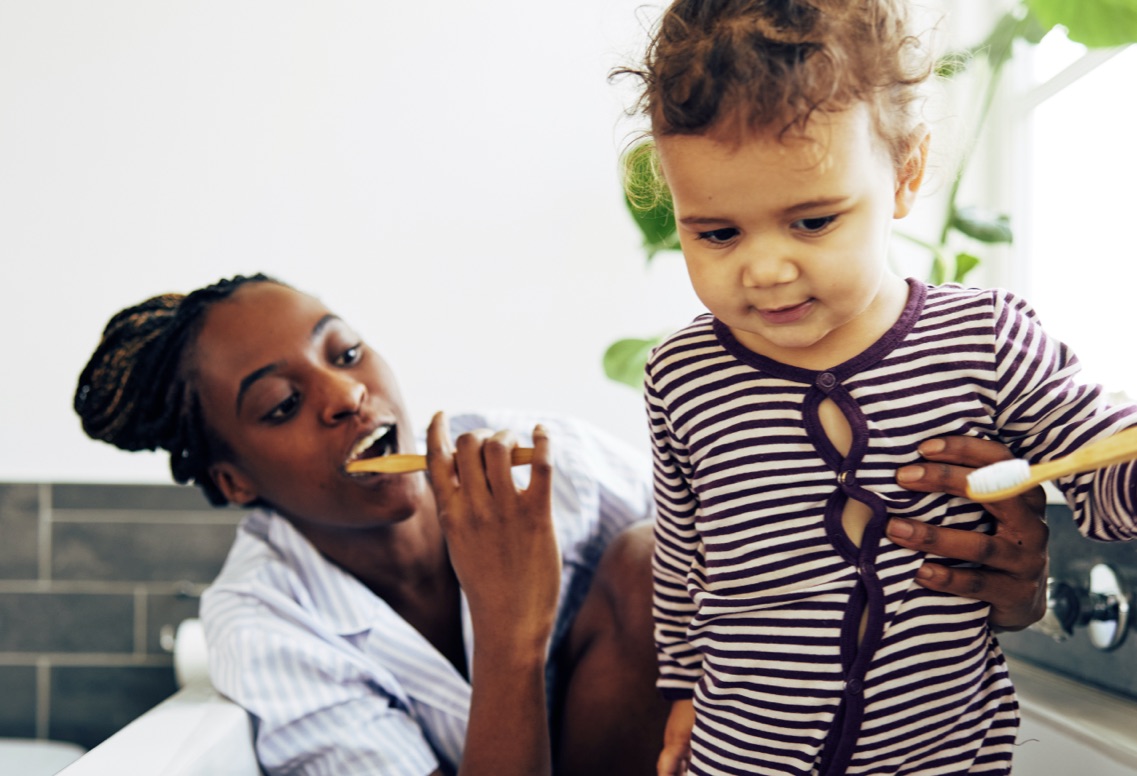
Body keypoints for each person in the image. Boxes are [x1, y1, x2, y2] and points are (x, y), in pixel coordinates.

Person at [73, 273, 1051, 776]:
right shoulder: (267, 626)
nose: (346, 395)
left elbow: (774, 575)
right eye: (282, 402)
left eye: (347, 350)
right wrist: (510, 628)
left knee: (653, 556)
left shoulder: (551, 466)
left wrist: (997, 581)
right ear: (238, 479)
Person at [616, 1, 1137, 775]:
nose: (762, 269)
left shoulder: (985, 340)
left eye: (813, 221)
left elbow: (1103, 474)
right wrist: (684, 694)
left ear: (905, 174)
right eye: (716, 232)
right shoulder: (680, 376)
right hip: (740, 758)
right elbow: (686, 561)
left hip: (938, 758)